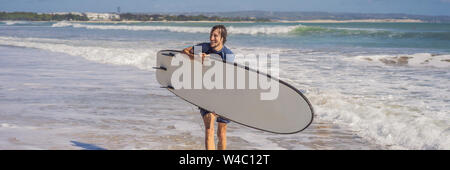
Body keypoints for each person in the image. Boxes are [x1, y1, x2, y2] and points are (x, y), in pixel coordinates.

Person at [182, 25, 234, 150]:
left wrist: (211, 62)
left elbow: (229, 77)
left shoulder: (228, 54)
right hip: (206, 94)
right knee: (209, 130)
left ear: (222, 38)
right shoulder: (204, 47)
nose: (212, 38)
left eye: (215, 35)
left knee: (221, 133)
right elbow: (185, 51)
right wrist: (196, 58)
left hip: (224, 95)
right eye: (211, 35)